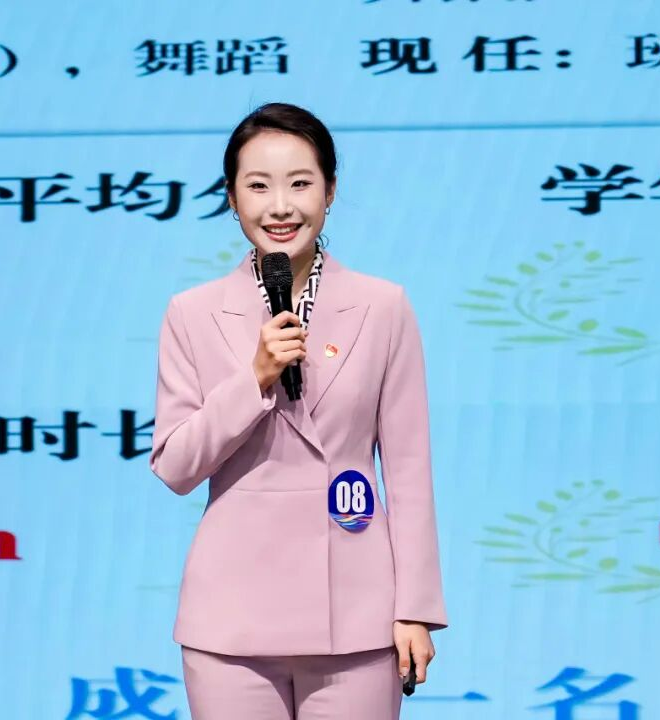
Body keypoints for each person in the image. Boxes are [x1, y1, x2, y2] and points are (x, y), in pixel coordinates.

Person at [149, 102, 448, 720]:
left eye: (300, 184)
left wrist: (414, 608)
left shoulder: (383, 307)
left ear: (330, 191)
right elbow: (175, 465)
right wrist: (254, 379)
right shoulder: (192, 312)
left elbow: (409, 471)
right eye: (258, 186)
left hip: (357, 607)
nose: (280, 207)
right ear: (231, 197)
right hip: (231, 614)